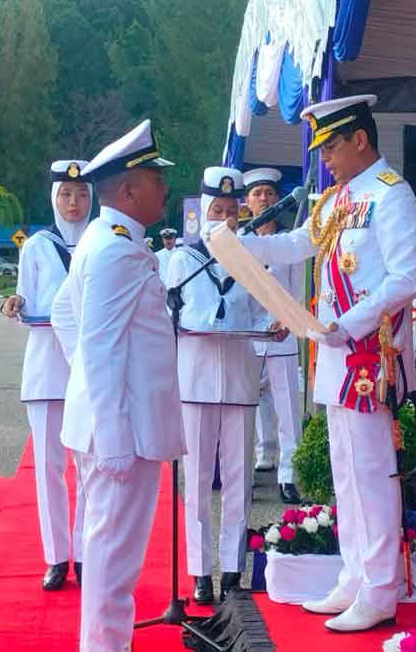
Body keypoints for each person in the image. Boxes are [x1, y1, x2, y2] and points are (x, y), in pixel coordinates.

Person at [241, 94, 416, 632]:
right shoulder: (335, 199)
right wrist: (242, 247)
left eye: (330, 147)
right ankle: (354, 575)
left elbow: (406, 277)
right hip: (335, 352)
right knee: (345, 471)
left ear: (360, 140)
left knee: (371, 472)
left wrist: (350, 323)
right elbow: (299, 243)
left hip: (368, 353)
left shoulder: (391, 195)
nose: (324, 160)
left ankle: (381, 588)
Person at [50, 119, 186, 650]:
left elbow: (66, 313)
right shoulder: (115, 249)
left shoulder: (104, 239)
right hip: (122, 432)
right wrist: (111, 436)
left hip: (116, 423)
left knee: (109, 552)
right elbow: (100, 345)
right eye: (156, 179)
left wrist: (85, 383)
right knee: (113, 560)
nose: (165, 188)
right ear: (128, 190)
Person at [166, 166, 274, 605]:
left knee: (238, 479)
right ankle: (199, 571)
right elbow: (167, 316)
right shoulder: (182, 260)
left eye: (232, 211)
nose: (226, 219)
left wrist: (274, 327)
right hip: (195, 383)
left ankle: (232, 568)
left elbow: (264, 312)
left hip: (239, 382)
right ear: (203, 212)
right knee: (196, 483)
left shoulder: (251, 260)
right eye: (218, 210)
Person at [1, 160, 91, 591]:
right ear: (54, 198)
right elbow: (25, 294)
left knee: (88, 466)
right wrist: (16, 303)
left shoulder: (101, 240)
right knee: (48, 469)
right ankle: (56, 556)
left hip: (88, 370)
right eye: (66, 195)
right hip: (46, 366)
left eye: (82, 194)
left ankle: (86, 552)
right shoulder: (37, 245)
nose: (74, 203)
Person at [243, 166, 305, 504]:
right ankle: (250, 466)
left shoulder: (289, 242)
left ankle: (288, 476)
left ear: (278, 199)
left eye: (269, 193)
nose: (264, 198)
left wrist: (287, 320)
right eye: (257, 194)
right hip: (250, 339)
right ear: (248, 202)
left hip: (281, 338)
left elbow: (296, 290)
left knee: (288, 411)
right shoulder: (240, 242)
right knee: (245, 409)